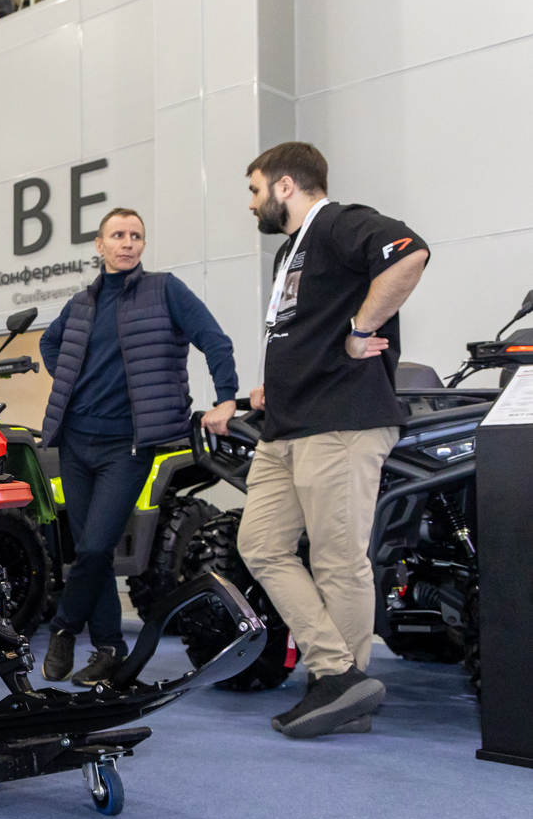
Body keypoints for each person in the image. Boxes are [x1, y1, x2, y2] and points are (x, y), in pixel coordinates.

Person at [233, 142, 429, 739]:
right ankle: (339, 674)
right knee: (261, 544)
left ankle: (339, 687)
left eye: (254, 190)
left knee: (338, 560)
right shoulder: (289, 251)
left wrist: (361, 330)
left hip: (341, 420)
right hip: (287, 424)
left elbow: (409, 252)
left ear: (285, 185)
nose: (251, 204)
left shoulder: (340, 222)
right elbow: (305, 328)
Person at [39, 209, 239, 685]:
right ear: (100, 245)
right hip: (75, 442)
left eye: (136, 236)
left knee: (93, 547)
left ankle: (64, 628)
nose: (128, 243)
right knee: (93, 552)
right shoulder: (81, 303)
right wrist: (72, 383)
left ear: (143, 245)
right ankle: (110, 649)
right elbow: (50, 343)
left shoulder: (164, 290)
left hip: (127, 445)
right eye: (118, 235)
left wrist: (227, 398)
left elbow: (214, 340)